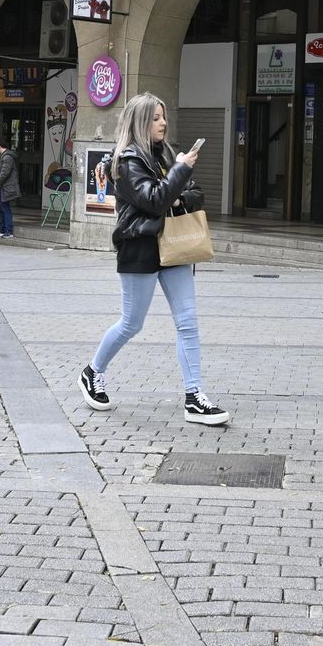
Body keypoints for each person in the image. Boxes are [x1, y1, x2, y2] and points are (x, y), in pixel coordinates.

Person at [79, 92, 229, 426]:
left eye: (164, 118)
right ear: (141, 122)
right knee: (132, 323)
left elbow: (195, 193)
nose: (164, 123)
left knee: (187, 321)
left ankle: (194, 397)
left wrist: (176, 182)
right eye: (157, 118)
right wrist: (178, 175)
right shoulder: (126, 162)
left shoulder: (166, 155)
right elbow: (155, 200)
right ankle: (92, 372)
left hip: (174, 246)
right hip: (140, 248)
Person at [0, 141, 21, 240]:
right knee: (1, 208)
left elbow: (5, 172)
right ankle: (2, 229)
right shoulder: (4, 156)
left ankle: (8, 231)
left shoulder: (7, 157)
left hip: (4, 187)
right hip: (1, 186)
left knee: (5, 208)